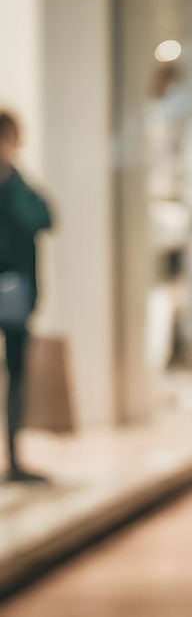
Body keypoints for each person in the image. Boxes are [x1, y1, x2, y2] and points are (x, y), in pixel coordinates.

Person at [0, 111, 53, 482]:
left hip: (15, 291)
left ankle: (14, 458)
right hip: (11, 285)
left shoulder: (17, 183)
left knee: (17, 374)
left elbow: (46, 216)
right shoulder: (14, 185)